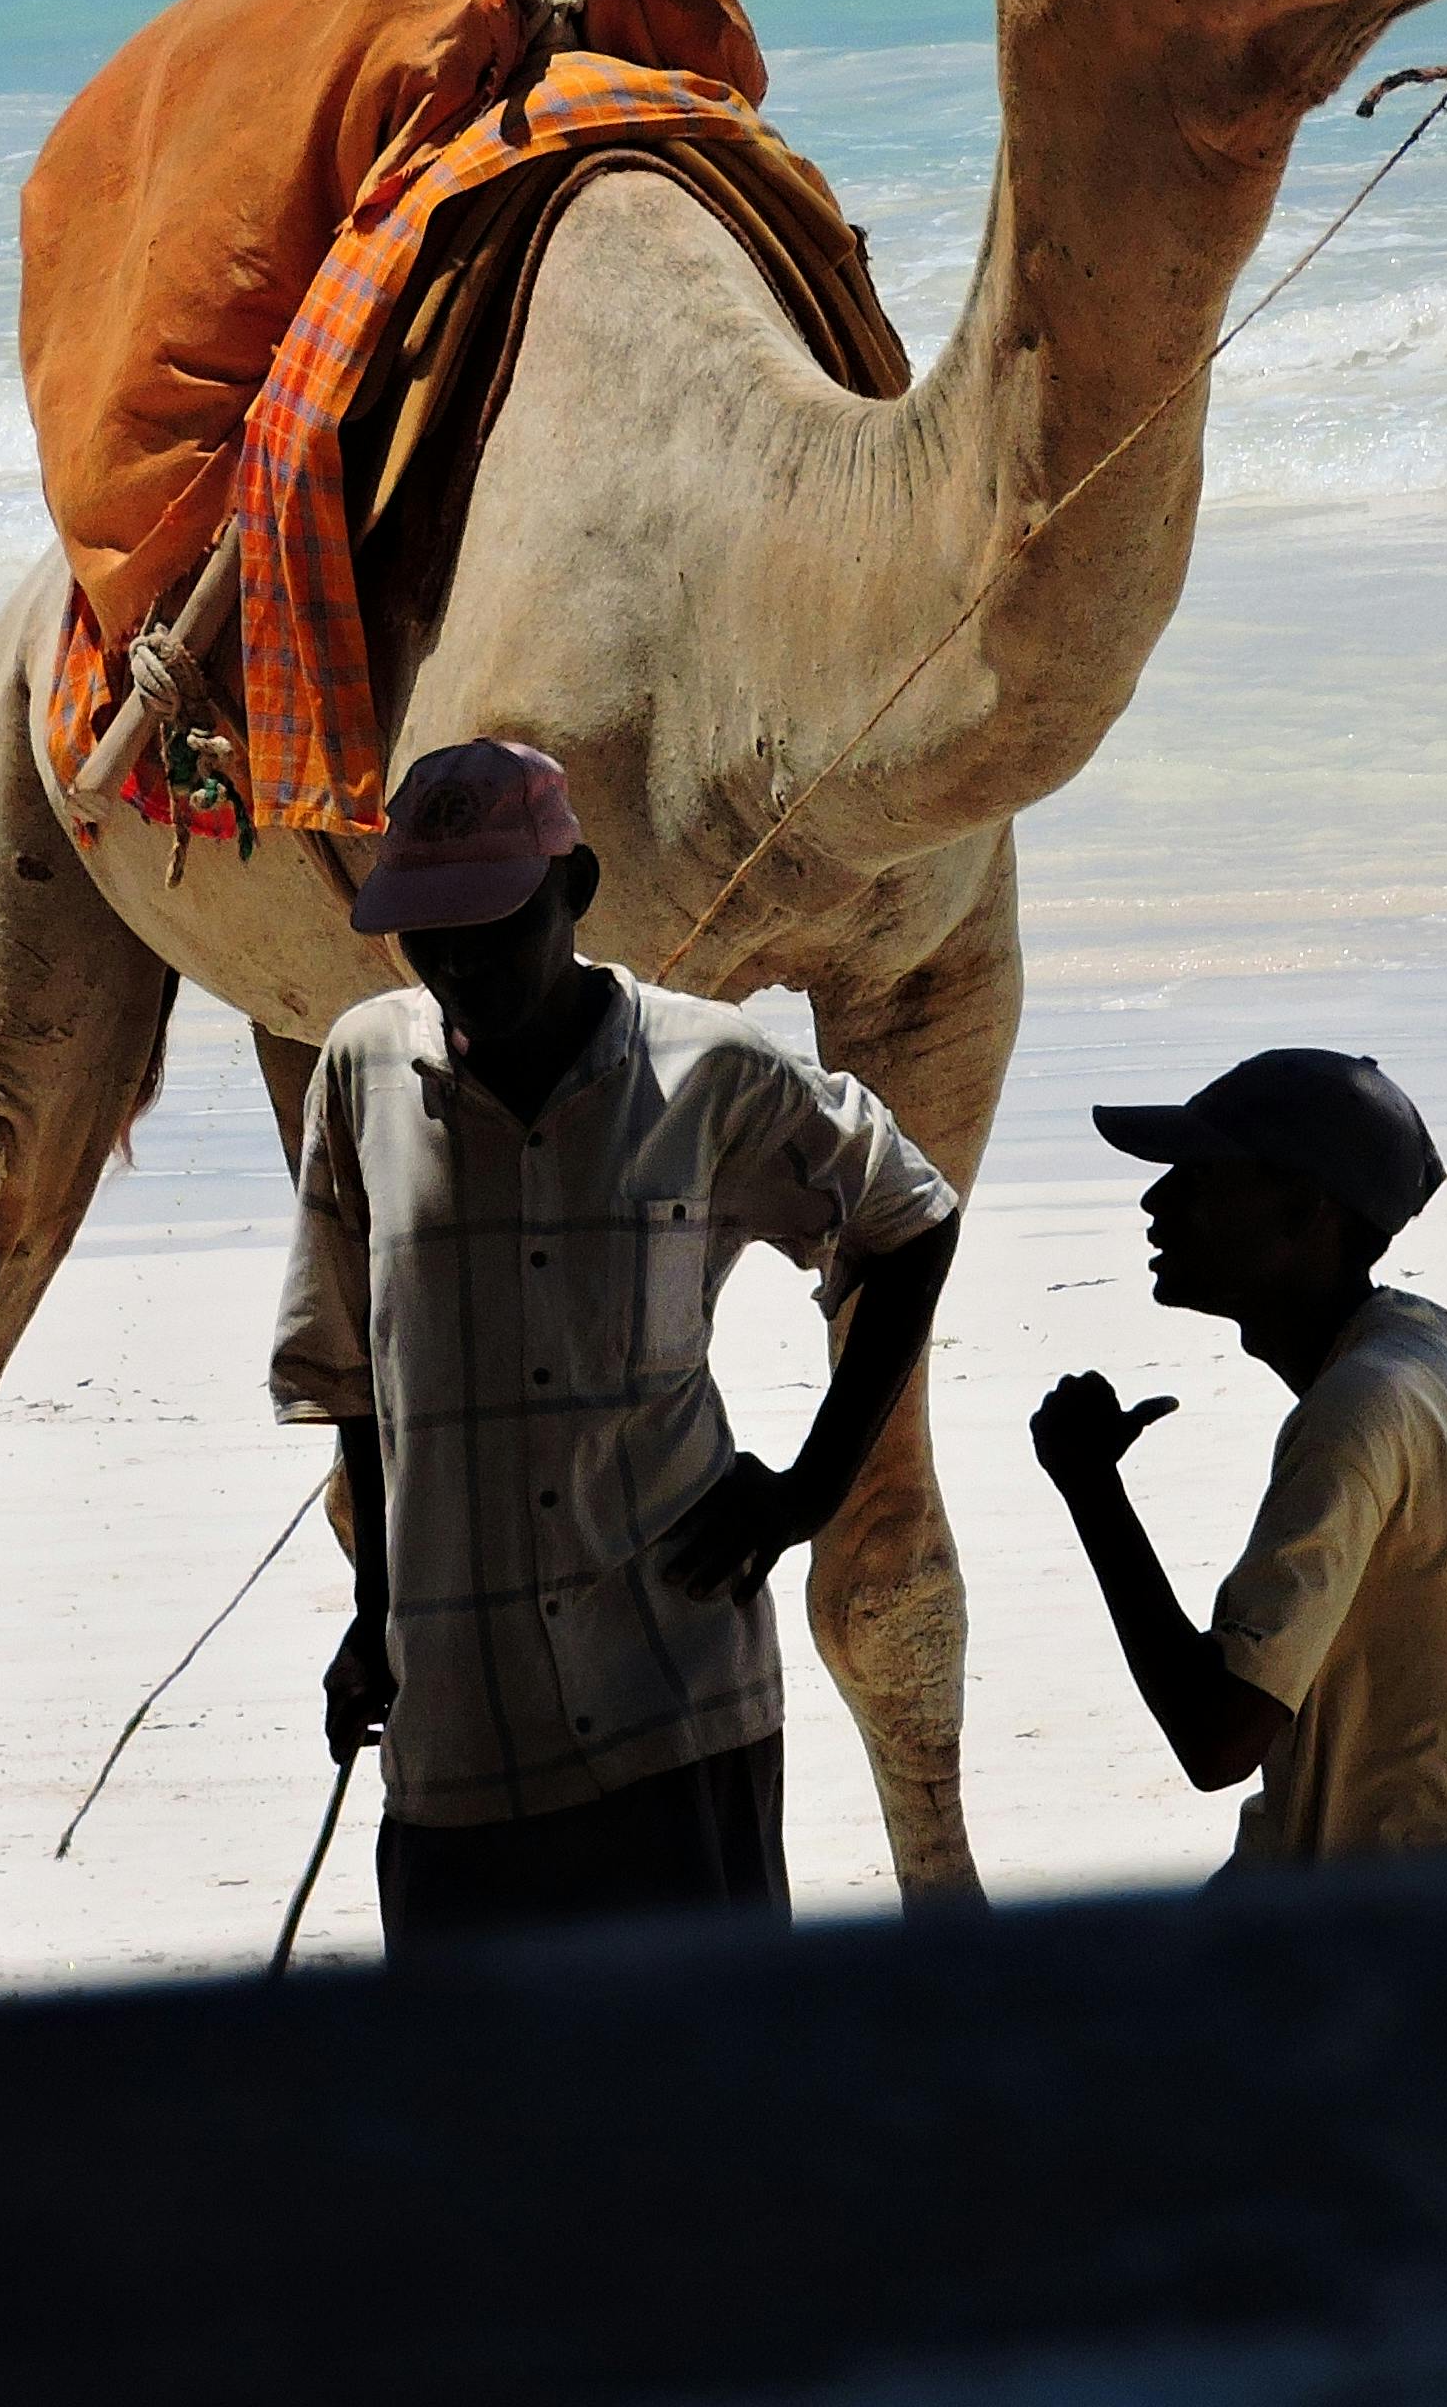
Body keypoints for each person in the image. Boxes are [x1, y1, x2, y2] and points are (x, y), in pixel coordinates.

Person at [271, 737, 963, 1940]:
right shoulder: (361, 1071)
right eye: (429, 933)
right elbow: (353, 1388)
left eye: (493, 922)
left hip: (675, 1707)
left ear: (575, 888)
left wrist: (810, 1494)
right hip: (459, 1729)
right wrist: (378, 1615)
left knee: (708, 2101)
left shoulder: (713, 1069)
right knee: (481, 2116)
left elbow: (908, 1220)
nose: (460, 963)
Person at [1030, 1048, 1447, 1874]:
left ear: (1307, 1212)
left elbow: (1216, 1741)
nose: (1154, 1199)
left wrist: (1091, 1487)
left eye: (1199, 1176)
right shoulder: (1445, 1354)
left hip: (1369, 1938)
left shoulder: (1359, 1410)